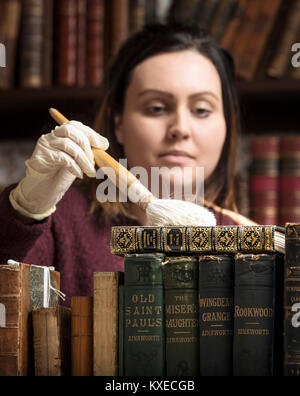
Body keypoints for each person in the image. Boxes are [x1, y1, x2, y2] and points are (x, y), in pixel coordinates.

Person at [0, 23, 253, 306]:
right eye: (156, 108)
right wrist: (24, 212)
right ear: (118, 123)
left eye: (202, 110)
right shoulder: (56, 221)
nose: (180, 128)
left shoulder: (248, 241)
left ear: (226, 126)